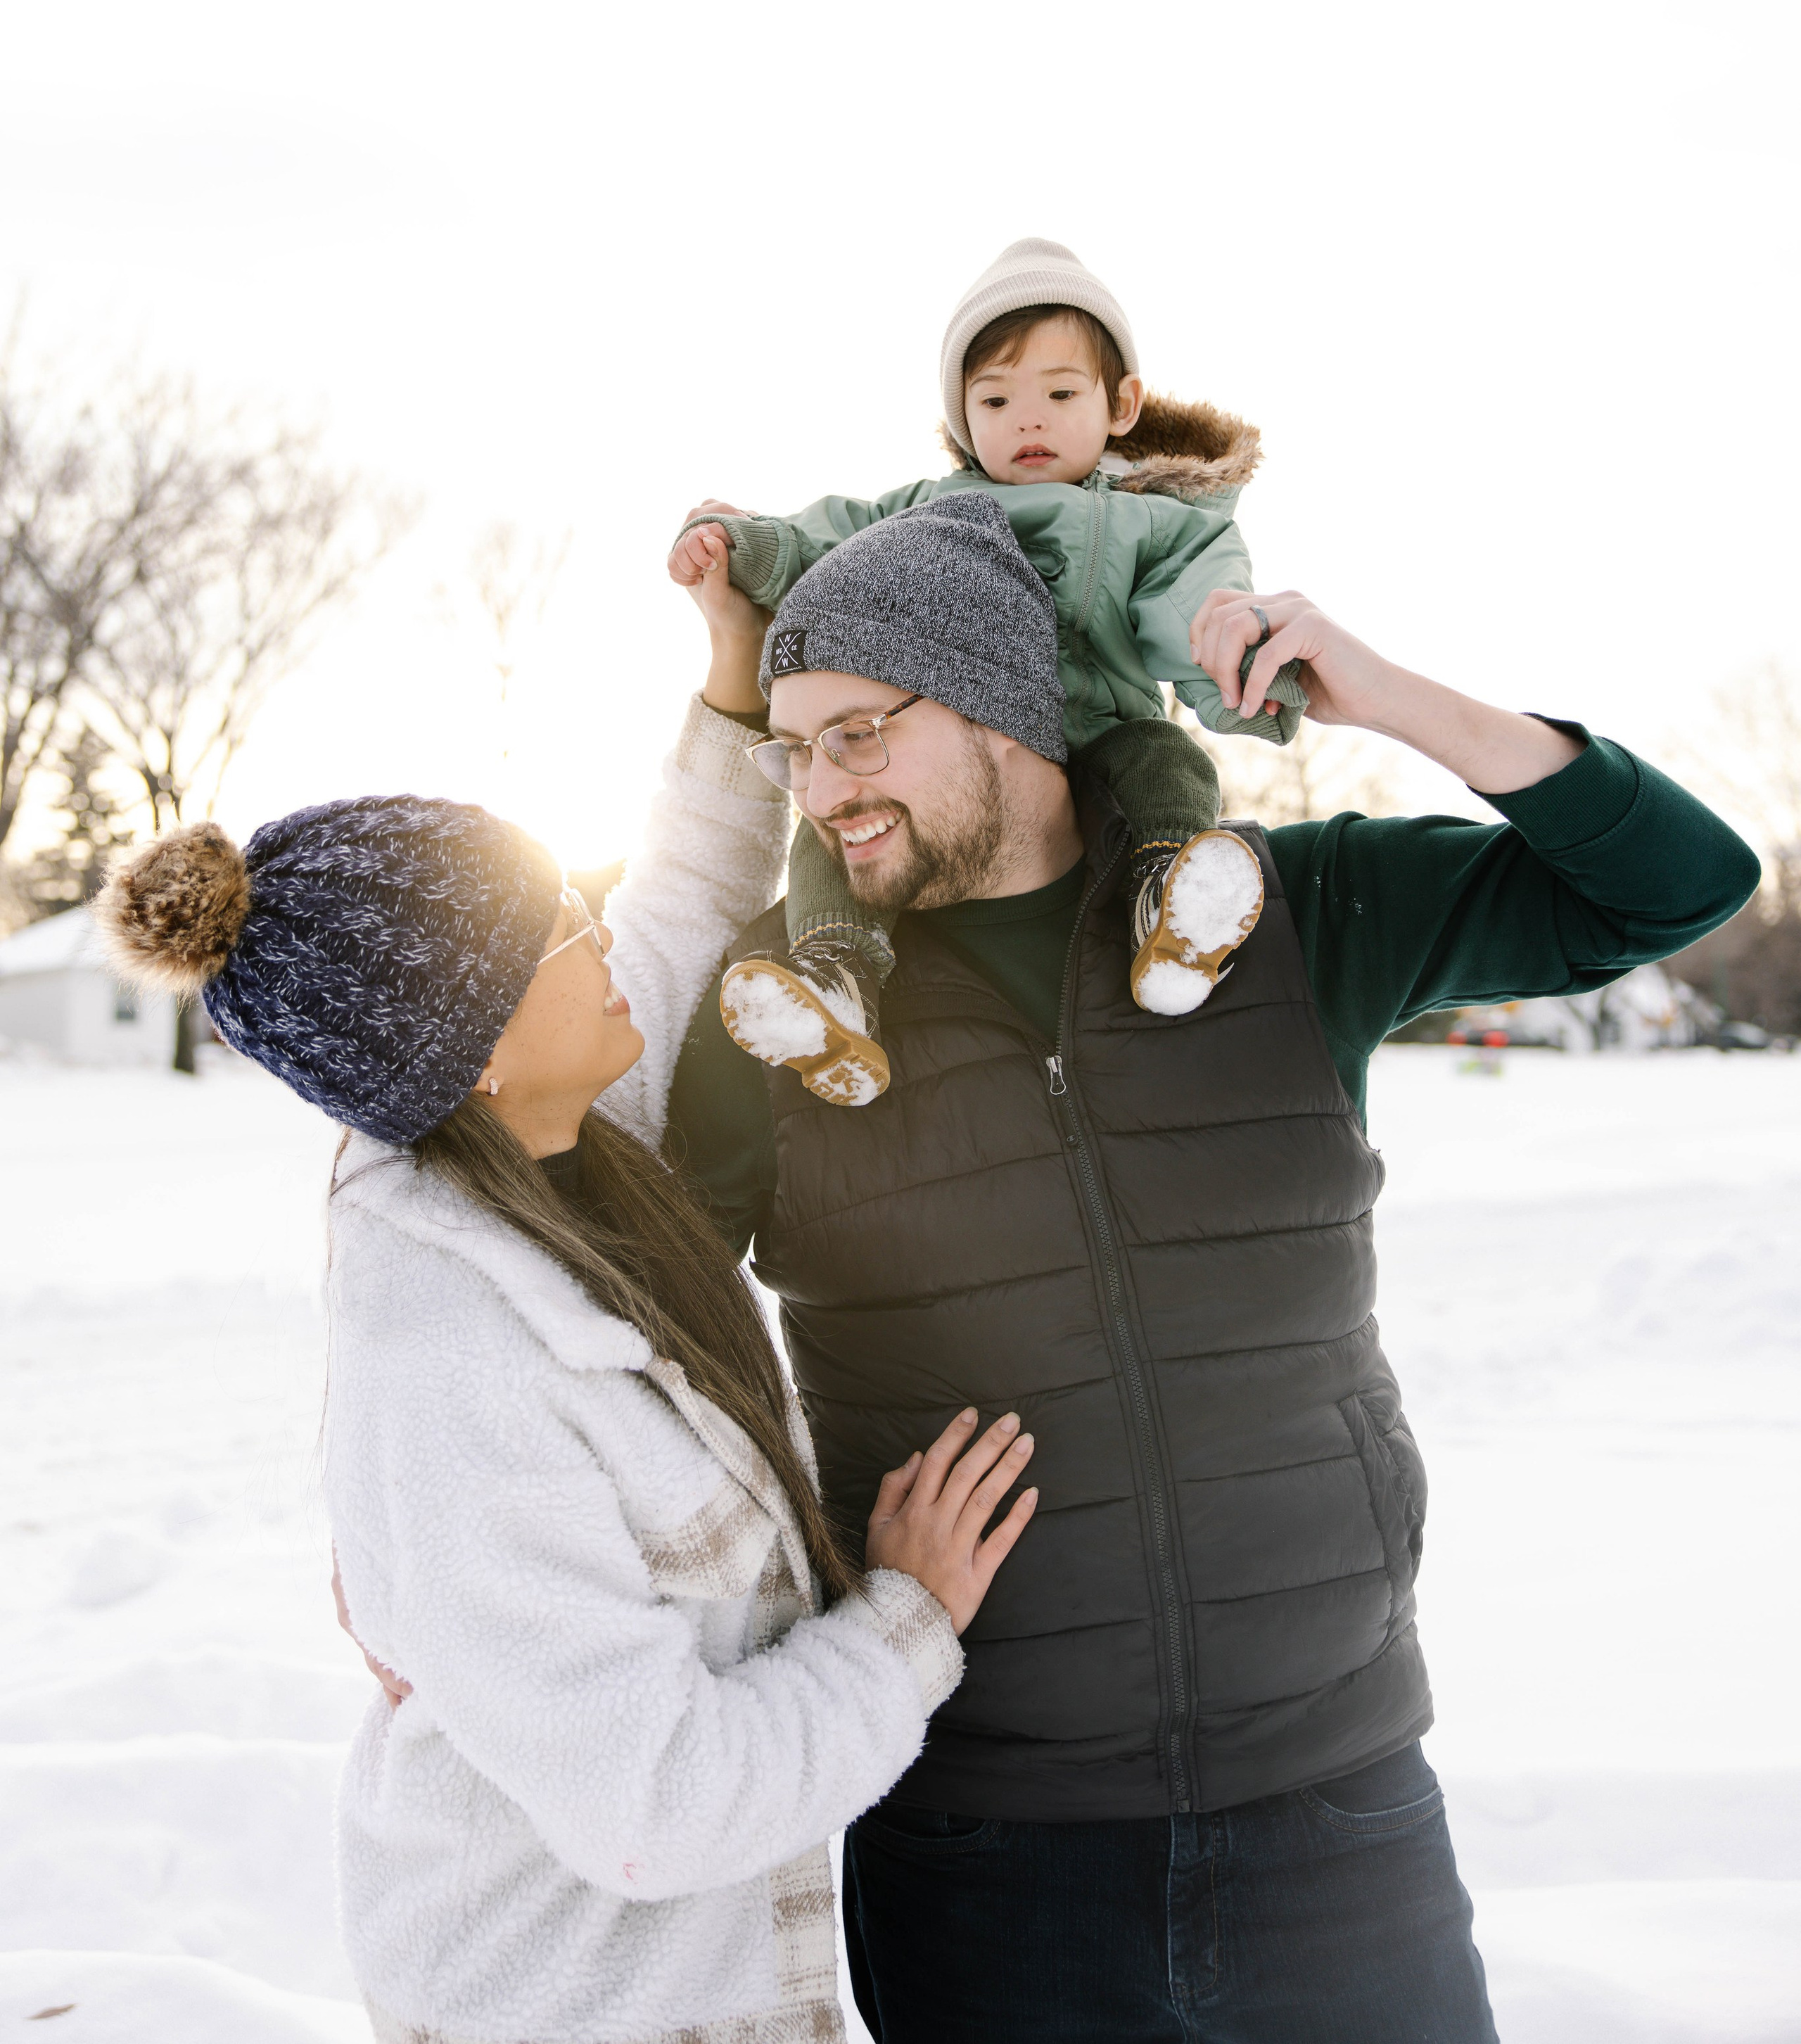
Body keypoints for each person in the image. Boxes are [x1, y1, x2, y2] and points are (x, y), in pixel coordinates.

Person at [663, 500, 1762, 2043]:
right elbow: (626, 1332)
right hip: (985, 1854)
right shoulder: (780, 1010)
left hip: (1340, 1819)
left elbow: (1671, 885)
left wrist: (1381, 692)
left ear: (996, 702)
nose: (818, 791)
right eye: (793, 749)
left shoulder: (1281, 912)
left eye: (856, 733)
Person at [93, 562, 1038, 2044]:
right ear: (463, 1042)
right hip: (572, 2009)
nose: (603, 941)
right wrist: (908, 1617)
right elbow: (654, 1805)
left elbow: (673, 898)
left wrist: (732, 672)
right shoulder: (458, 1365)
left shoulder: (551, 1144)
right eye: (557, 937)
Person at [667, 236, 1304, 1103]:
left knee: (1166, 755)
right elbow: (828, 539)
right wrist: (747, 544)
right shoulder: (933, 510)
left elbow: (1203, 615)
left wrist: (1248, 677)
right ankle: (834, 972)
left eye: (1059, 393)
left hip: (1101, 739)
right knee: (833, 810)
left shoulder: (1164, 523)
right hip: (960, 752)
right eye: (995, 399)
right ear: (963, 418)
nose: (1028, 419)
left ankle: (1170, 897)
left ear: (1122, 404)